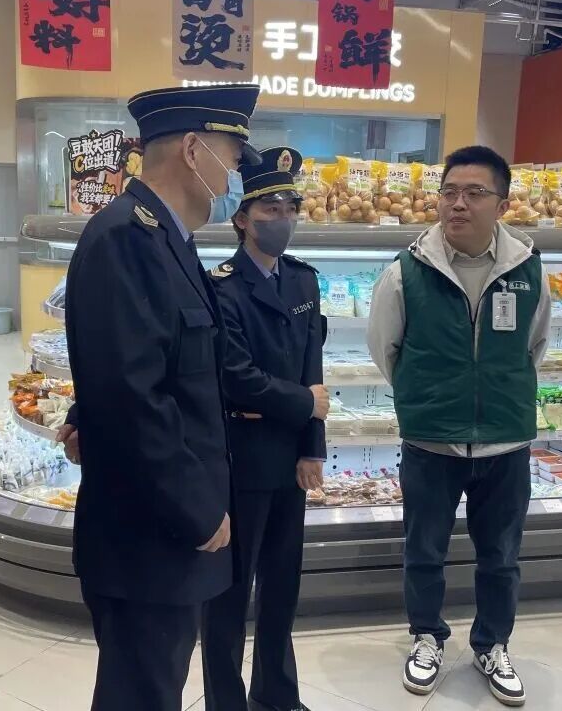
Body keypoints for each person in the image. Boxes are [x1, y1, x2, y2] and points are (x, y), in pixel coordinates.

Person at [59, 83, 262, 711]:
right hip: (149, 535)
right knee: (141, 693)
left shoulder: (168, 239)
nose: (234, 177)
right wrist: (197, 510)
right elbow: (135, 399)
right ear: (194, 151)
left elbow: (149, 363)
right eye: (232, 158)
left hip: (161, 530)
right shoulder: (127, 237)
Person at [367, 145, 550, 707]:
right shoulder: (407, 270)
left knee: (502, 556)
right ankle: (426, 636)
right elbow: (385, 348)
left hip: (506, 439)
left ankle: (492, 644)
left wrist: (491, 391)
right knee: (424, 550)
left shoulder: (527, 269)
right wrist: (431, 398)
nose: (458, 204)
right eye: (449, 192)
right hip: (431, 440)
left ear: (502, 204)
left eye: (474, 193)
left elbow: (534, 346)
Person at [201, 147, 327, 711]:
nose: (282, 217)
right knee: (228, 597)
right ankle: (225, 702)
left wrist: (313, 447)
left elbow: (312, 366)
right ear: (242, 218)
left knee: (282, 589)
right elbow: (237, 377)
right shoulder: (221, 288)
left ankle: (277, 696)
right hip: (241, 461)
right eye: (269, 208)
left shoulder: (302, 282)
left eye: (289, 207)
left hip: (291, 462)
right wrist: (304, 404)